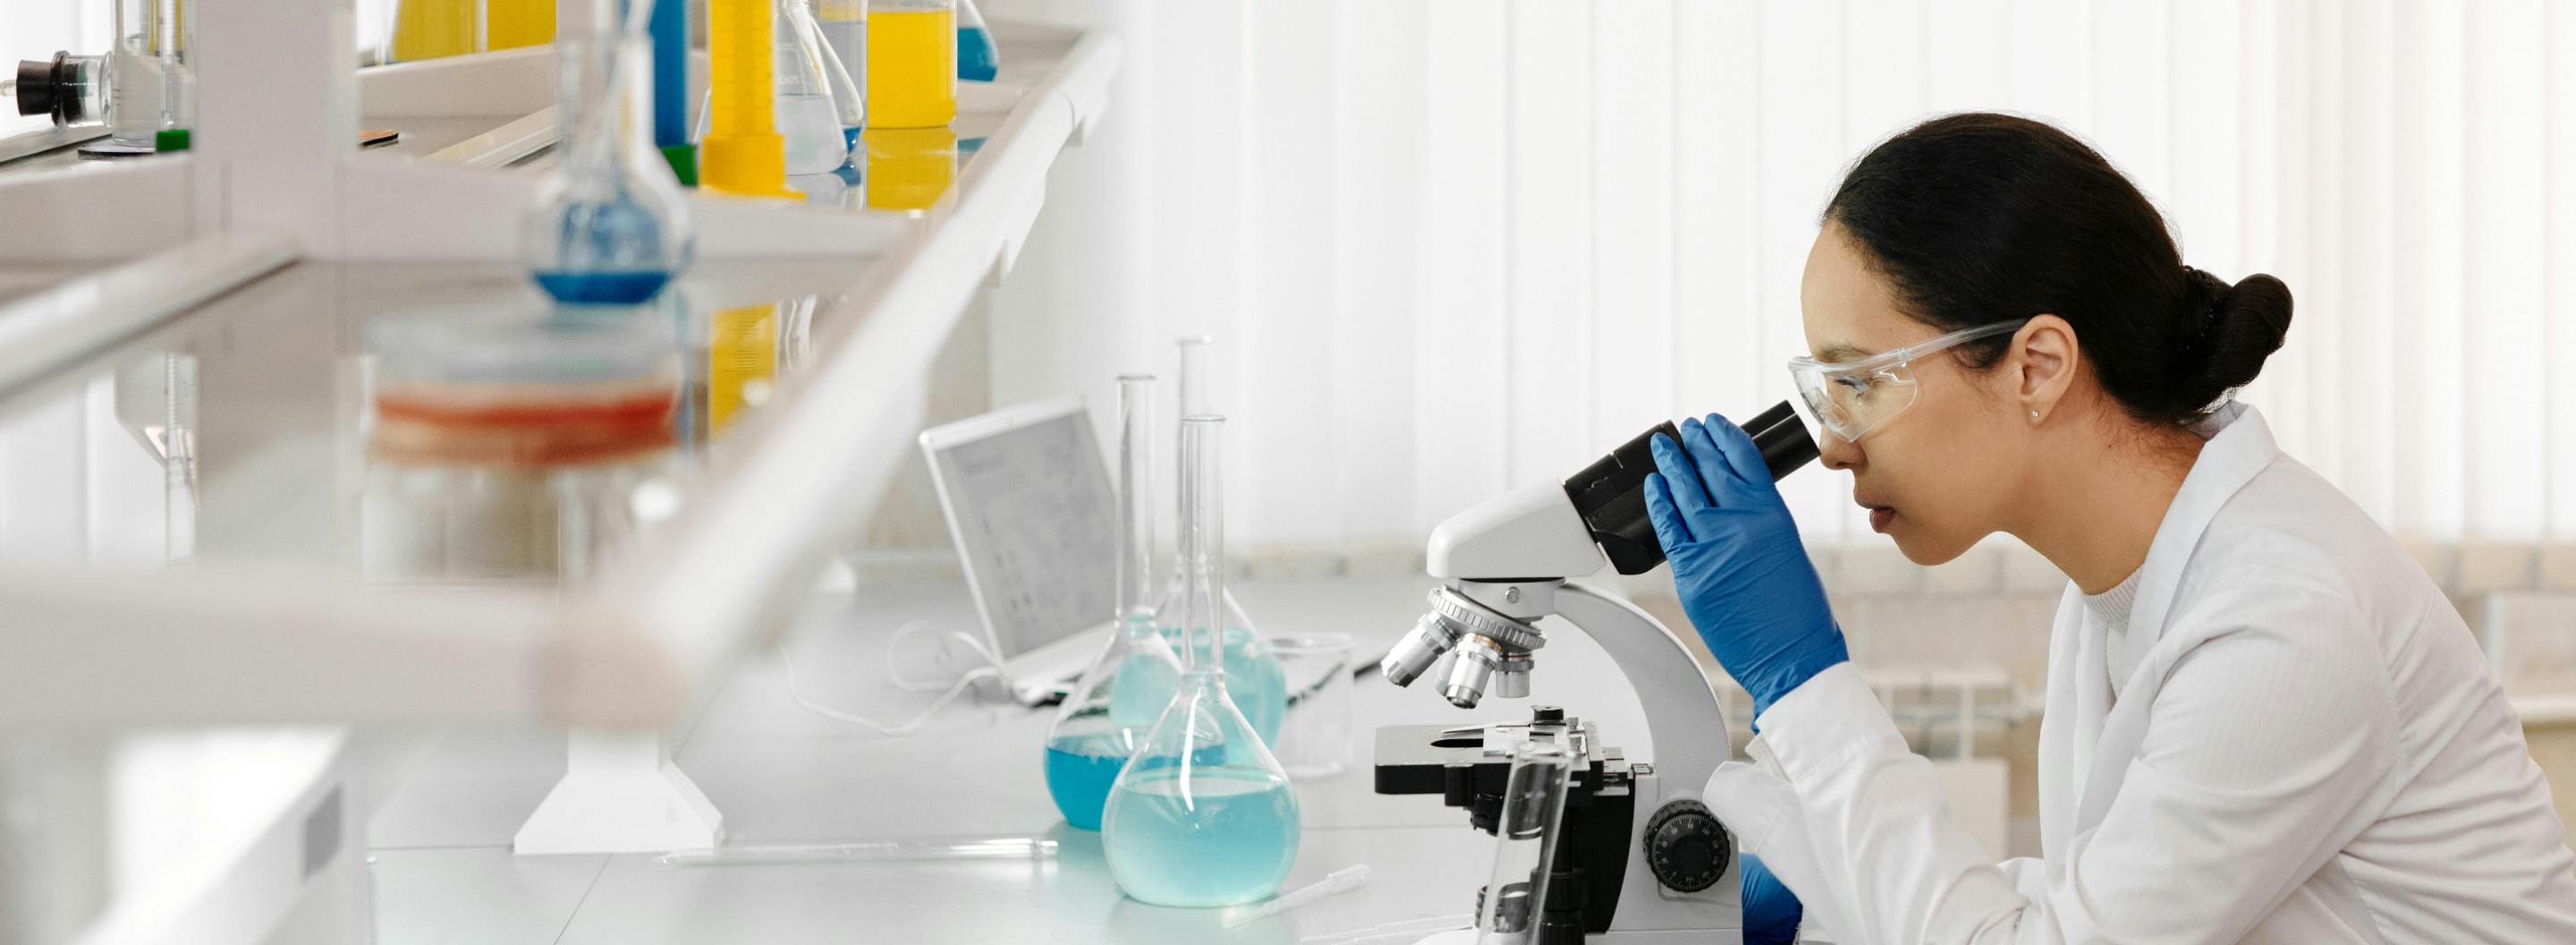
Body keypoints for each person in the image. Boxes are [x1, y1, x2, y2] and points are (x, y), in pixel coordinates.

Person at [1646, 113, 2576, 944]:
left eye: (1858, 385)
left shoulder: (2283, 612)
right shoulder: (2124, 587)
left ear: (2037, 365)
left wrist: (1801, 681)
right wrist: (1820, 897)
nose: (1835, 447)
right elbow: (2103, 903)